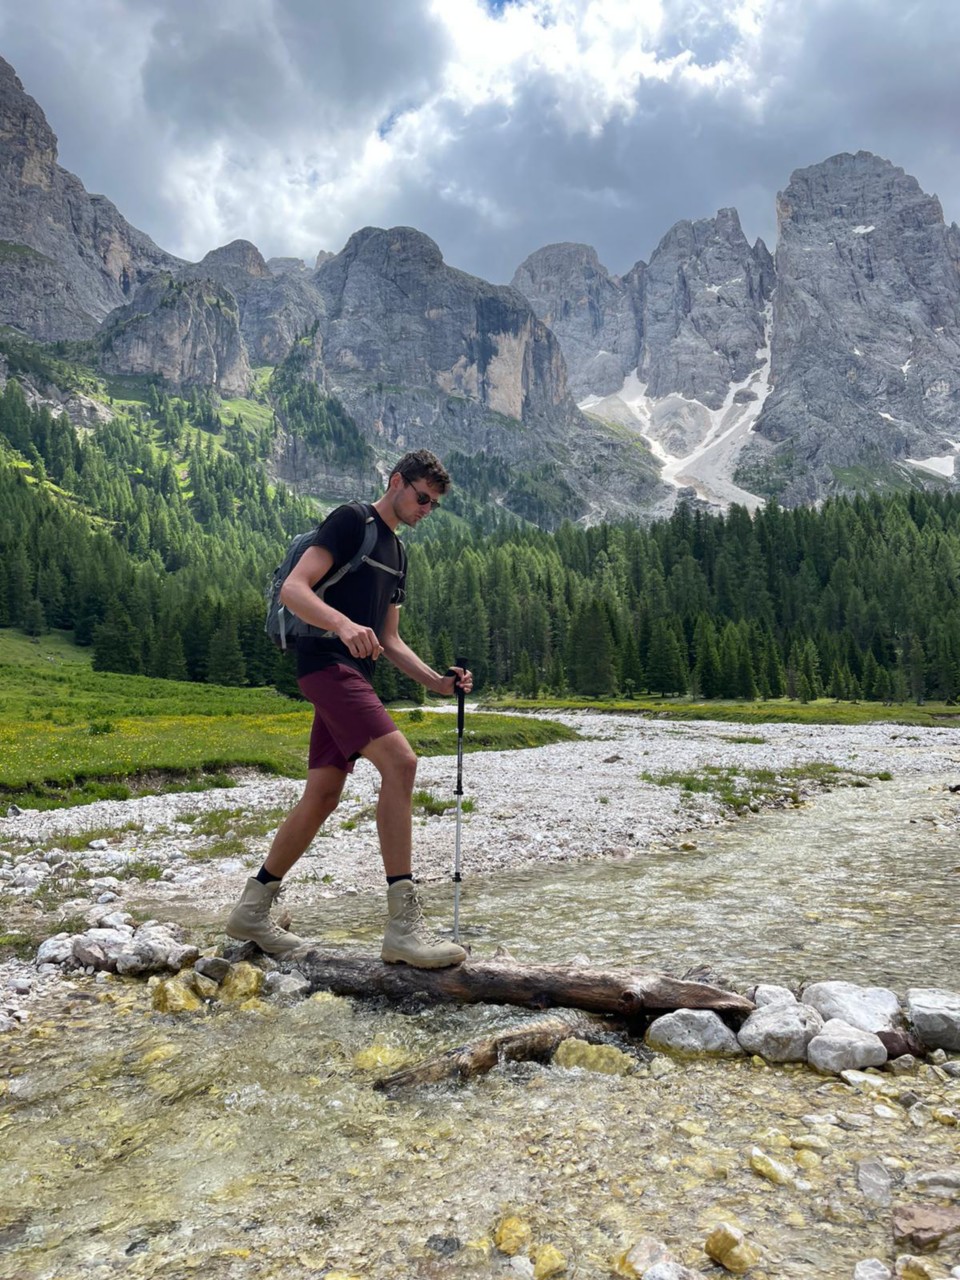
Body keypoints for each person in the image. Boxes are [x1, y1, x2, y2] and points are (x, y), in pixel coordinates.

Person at [225, 449, 472, 968]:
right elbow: (295, 589)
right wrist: (340, 624)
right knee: (402, 763)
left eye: (435, 505)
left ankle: (252, 908)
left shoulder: (399, 556)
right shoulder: (350, 521)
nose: (426, 509)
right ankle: (403, 929)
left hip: (352, 672)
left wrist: (438, 683)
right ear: (397, 481)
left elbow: (390, 640)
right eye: (421, 497)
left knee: (323, 793)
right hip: (325, 662)